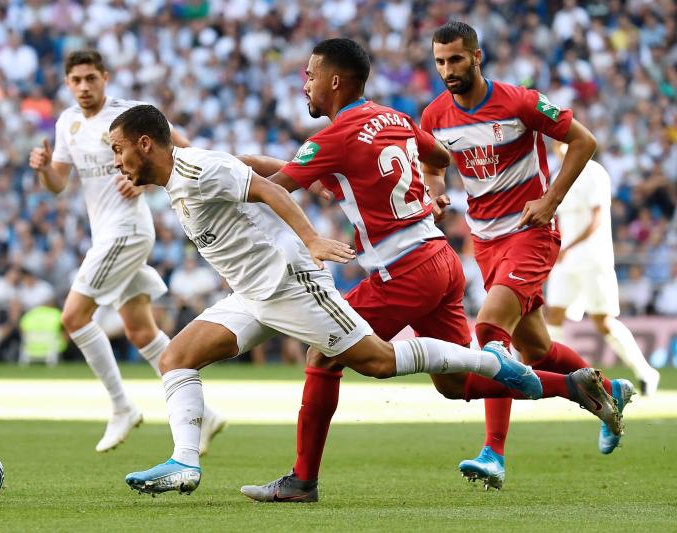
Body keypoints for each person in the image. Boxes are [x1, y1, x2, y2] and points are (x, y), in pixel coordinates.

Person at [108, 103, 594, 498]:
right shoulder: (187, 172)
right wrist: (310, 179)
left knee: (378, 362)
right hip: (253, 295)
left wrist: (312, 238)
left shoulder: (196, 168)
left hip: (290, 283)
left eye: (118, 149)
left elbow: (264, 191)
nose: (116, 161)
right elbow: (249, 168)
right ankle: (184, 464)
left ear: (145, 144)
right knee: (177, 357)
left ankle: (486, 362)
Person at [239, 38, 624, 500]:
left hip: (406, 269)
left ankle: (303, 480)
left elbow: (272, 189)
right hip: (442, 260)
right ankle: (573, 387)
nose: (305, 84)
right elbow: (437, 158)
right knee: (456, 381)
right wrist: (435, 187)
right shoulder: (395, 117)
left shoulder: (333, 137)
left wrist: (209, 176)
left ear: (334, 81)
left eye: (310, 75)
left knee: (324, 353)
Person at [419, 22, 634, 488]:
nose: (447, 70)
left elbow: (585, 140)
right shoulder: (435, 115)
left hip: (531, 232)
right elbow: (433, 163)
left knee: (491, 335)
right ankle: (608, 389)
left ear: (477, 57)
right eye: (439, 61)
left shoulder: (519, 101)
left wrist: (551, 200)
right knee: (535, 350)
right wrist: (436, 194)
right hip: (485, 241)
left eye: (456, 59)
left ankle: (493, 454)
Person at [28, 50, 226, 454]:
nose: (84, 87)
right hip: (104, 233)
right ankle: (204, 413)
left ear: (105, 77)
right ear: (67, 84)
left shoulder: (130, 115)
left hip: (128, 231)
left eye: (91, 78)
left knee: (73, 317)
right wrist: (44, 168)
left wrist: (145, 181)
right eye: (76, 80)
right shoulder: (68, 122)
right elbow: (58, 184)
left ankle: (122, 406)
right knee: (139, 330)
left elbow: (182, 150)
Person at [545, 143, 660, 399]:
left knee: (603, 321)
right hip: (566, 258)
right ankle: (559, 377)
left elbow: (597, 218)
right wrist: (558, 246)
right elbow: (559, 218)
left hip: (592, 258)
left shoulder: (595, 172)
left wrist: (569, 246)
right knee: (553, 314)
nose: (559, 147)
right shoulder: (557, 175)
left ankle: (646, 372)